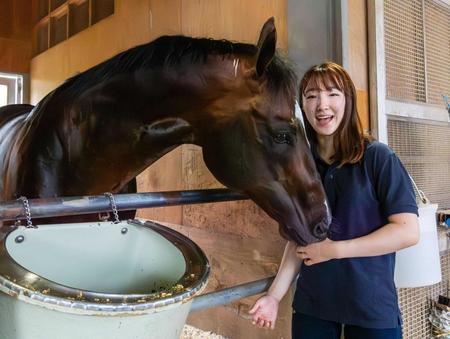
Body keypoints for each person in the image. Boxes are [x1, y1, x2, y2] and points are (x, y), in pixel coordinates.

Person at [249, 62, 419, 339]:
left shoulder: (378, 157)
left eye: (332, 93)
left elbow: (407, 231)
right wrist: (273, 296)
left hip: (371, 308)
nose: (321, 105)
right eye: (311, 96)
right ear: (301, 106)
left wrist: (335, 250)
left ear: (348, 100)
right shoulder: (301, 165)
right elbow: (299, 238)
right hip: (313, 306)